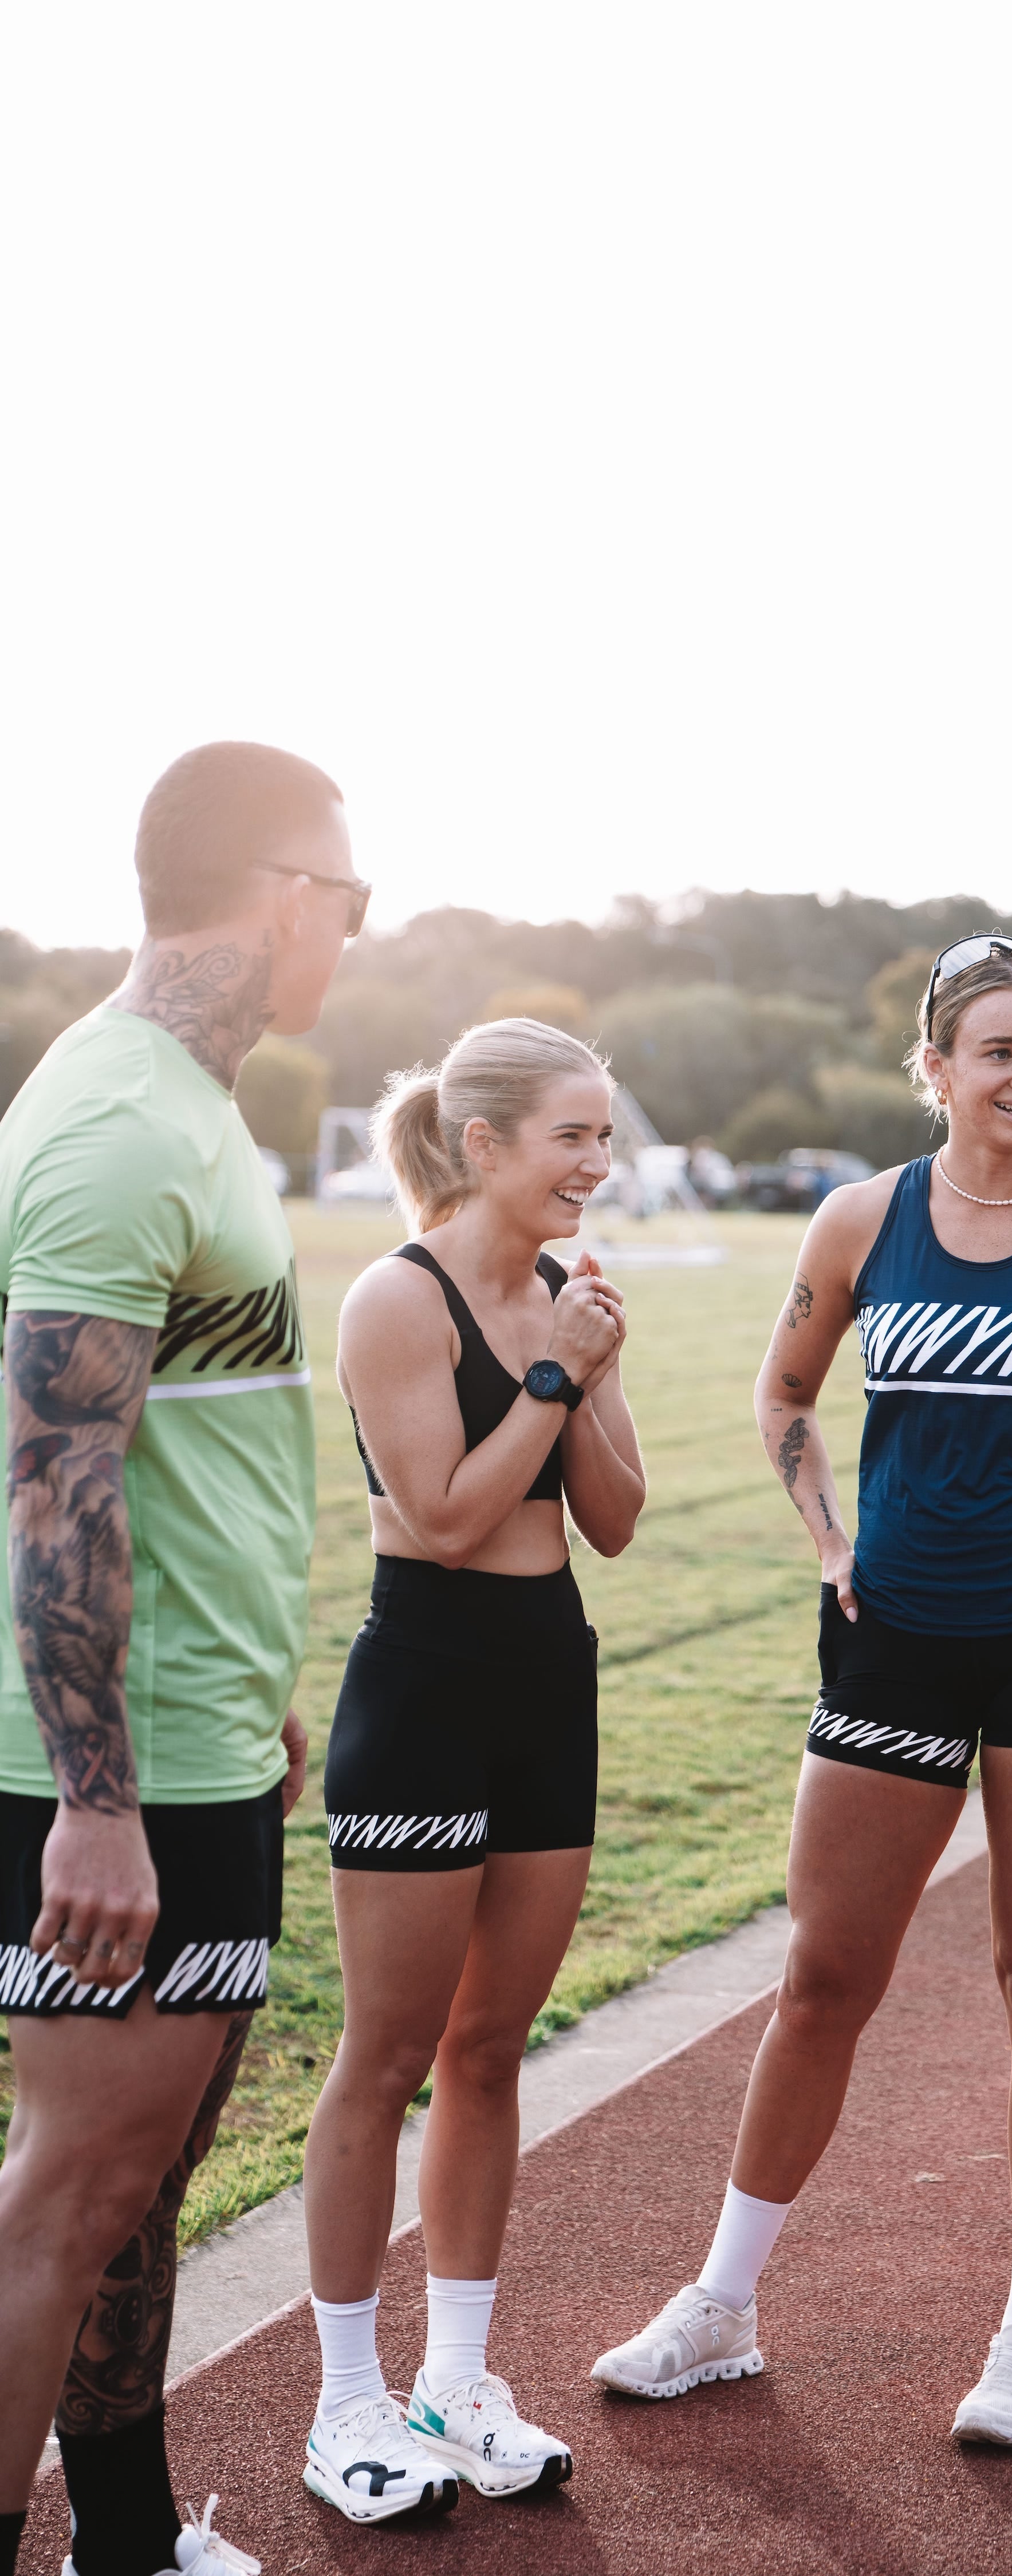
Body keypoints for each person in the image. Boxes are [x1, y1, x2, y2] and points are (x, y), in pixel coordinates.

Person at [591, 933, 1012, 2445]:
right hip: (892, 1629)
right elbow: (786, 1394)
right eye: (999, 1051)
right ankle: (721, 2306)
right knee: (827, 1972)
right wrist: (829, 1531)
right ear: (938, 1069)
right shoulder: (857, 1220)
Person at [0, 743, 364, 2576]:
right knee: (64, 2202)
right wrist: (97, 1803)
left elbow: (186, 1445)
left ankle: (126, 2547)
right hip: (115, 1776)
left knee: (132, 2194)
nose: (351, 942)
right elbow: (52, 1484)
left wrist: (251, 1680)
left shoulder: (191, 1106)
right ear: (283, 893)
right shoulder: (122, 1122)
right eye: (350, 902)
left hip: (198, 1734)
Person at [299, 1018, 644, 2524]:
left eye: (606, 1137)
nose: (597, 1163)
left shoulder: (570, 1296)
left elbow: (619, 1520)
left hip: (546, 1679)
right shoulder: (397, 1295)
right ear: (486, 1142)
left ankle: (457, 2376)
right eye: (573, 1135)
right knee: (384, 2055)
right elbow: (439, 1515)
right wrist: (558, 1378)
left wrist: (588, 1360)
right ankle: (346, 2403)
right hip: (425, 1681)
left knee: (492, 2047)